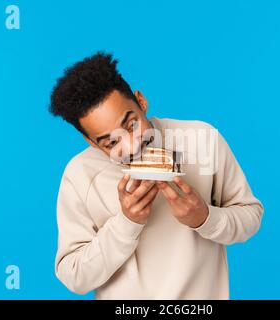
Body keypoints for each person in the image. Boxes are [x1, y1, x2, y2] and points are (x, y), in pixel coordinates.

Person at [49, 52, 264, 299]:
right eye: (110, 142)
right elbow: (74, 277)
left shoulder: (203, 140)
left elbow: (251, 216)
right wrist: (127, 222)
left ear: (141, 102)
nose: (131, 147)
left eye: (131, 125)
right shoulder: (79, 175)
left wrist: (204, 217)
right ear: (91, 142)